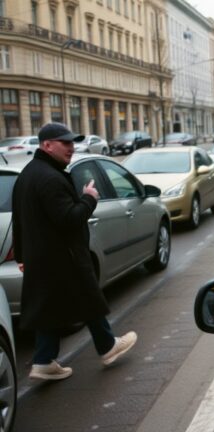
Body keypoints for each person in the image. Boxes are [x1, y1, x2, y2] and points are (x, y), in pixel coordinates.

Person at [12, 122, 137, 381]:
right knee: (88, 299)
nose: (71, 148)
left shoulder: (28, 173)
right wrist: (89, 198)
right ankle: (107, 346)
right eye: (65, 143)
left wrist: (23, 256)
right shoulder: (50, 178)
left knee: (49, 307)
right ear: (47, 145)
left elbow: (20, 219)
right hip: (64, 256)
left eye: (72, 142)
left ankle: (44, 361)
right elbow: (69, 218)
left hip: (44, 257)